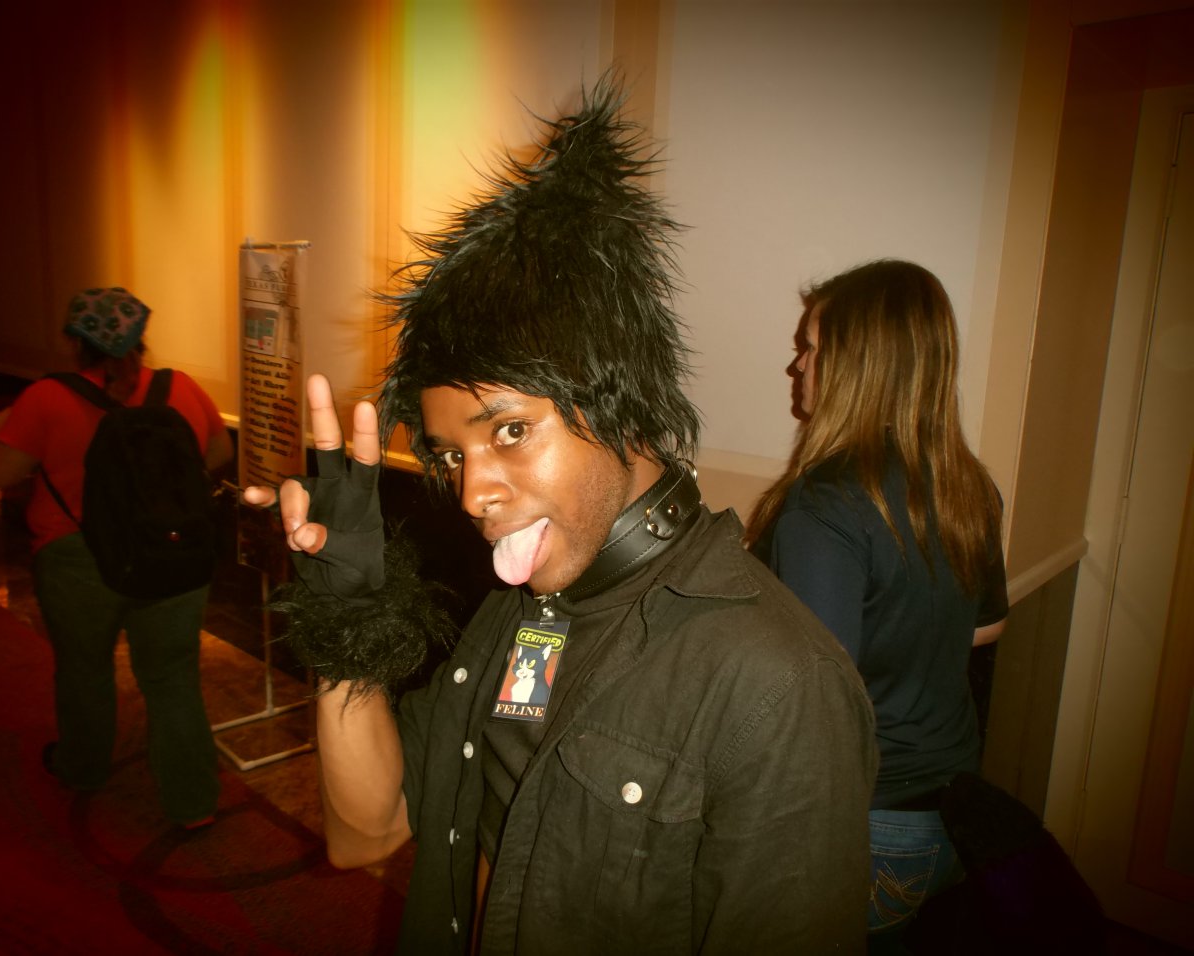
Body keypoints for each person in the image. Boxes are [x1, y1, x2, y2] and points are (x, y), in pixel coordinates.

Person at [245, 79, 877, 954]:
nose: (473, 493)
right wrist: (345, 621)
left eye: (510, 430)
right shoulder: (522, 609)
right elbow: (368, 832)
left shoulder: (776, 685)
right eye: (451, 455)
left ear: (623, 408)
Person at [743, 259, 1009, 947]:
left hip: (872, 825)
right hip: (951, 810)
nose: (796, 365)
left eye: (810, 347)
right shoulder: (967, 485)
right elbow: (986, 628)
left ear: (855, 365)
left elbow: (810, 693)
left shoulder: (825, 504)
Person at [0, 287, 233, 828]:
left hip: (78, 559)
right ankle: (192, 803)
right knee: (172, 678)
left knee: (84, 669)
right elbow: (216, 454)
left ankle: (84, 767)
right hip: (170, 552)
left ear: (76, 342)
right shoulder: (181, 388)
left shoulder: (46, 398)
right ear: (142, 337)